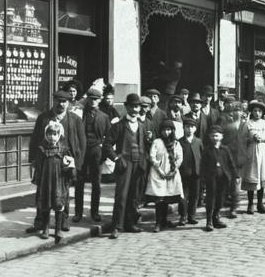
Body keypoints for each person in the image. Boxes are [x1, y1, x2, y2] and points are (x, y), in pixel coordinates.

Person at [27, 90, 86, 233]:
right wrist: (33, 160)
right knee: (42, 191)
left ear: (68, 103)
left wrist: (77, 164)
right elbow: (35, 139)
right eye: (58, 101)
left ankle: (63, 221)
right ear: (53, 101)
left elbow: (82, 142)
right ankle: (40, 222)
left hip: (65, 162)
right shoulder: (43, 118)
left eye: (64, 101)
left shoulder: (74, 120)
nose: (61, 104)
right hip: (46, 161)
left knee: (63, 192)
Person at [105, 93, 149, 238]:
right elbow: (107, 145)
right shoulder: (119, 125)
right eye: (132, 106)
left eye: (137, 106)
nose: (135, 109)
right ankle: (117, 226)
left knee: (134, 195)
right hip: (125, 164)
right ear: (126, 107)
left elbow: (147, 146)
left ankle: (130, 223)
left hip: (139, 164)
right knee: (122, 195)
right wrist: (117, 158)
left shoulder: (142, 126)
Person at [32, 121, 75, 243]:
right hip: (46, 181)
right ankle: (45, 229)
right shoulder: (42, 150)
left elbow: (70, 165)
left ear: (59, 135)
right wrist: (38, 180)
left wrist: (69, 172)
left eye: (55, 134)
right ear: (46, 135)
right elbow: (38, 166)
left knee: (58, 204)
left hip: (59, 181)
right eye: (49, 134)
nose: (52, 137)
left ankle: (58, 229)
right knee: (46, 204)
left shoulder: (64, 150)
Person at [73, 88, 110, 223]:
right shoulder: (79, 115)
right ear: (87, 99)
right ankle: (78, 212)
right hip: (81, 152)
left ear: (100, 100)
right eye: (91, 99)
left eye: (96, 99)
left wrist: (103, 151)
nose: (93, 101)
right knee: (79, 182)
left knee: (96, 183)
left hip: (96, 151)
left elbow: (109, 137)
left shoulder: (104, 117)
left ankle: (95, 212)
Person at [145, 120, 183, 232]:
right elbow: (152, 157)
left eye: (169, 130)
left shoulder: (176, 143)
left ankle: (164, 220)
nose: (166, 132)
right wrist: (159, 170)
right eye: (164, 130)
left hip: (171, 173)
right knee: (159, 198)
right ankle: (158, 222)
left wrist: (174, 169)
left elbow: (179, 158)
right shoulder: (157, 142)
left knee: (167, 198)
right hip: (159, 173)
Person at [201, 125, 238, 231]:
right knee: (210, 199)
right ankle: (209, 221)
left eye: (216, 136)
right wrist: (203, 179)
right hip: (211, 178)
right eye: (212, 136)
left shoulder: (225, 149)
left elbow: (231, 163)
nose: (214, 138)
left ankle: (216, 217)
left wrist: (235, 175)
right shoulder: (207, 150)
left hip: (223, 179)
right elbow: (203, 165)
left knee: (220, 199)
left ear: (221, 136)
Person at [241, 100, 265, 214]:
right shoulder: (248, 124)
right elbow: (242, 139)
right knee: (252, 177)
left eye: (259, 111)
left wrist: (263, 139)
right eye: (255, 111)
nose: (257, 113)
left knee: (261, 176)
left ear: (262, 113)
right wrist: (251, 139)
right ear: (252, 112)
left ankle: (260, 204)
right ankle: (250, 204)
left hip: (263, 152)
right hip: (252, 152)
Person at [221, 102, 247, 218]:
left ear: (242, 112)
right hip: (228, 158)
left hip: (240, 159)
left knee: (236, 184)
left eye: (239, 111)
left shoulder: (246, 125)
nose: (237, 113)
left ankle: (233, 208)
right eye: (235, 111)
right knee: (227, 183)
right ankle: (225, 205)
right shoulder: (227, 126)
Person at [177, 118, 202, 226]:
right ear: (183, 128)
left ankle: (192, 215)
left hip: (196, 173)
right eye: (187, 127)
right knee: (183, 195)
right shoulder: (179, 142)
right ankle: (183, 216)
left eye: (192, 127)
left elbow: (202, 156)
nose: (189, 129)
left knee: (195, 195)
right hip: (183, 172)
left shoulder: (199, 141)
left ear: (195, 129)